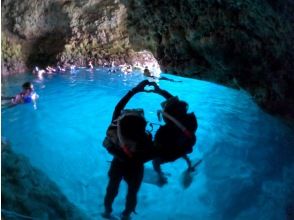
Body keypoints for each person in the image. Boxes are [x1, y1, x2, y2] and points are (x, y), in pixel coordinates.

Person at [102, 80, 155, 220]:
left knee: (112, 189)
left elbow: (118, 108)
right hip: (135, 169)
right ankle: (126, 216)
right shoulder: (144, 140)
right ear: (142, 127)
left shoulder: (117, 133)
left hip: (118, 164)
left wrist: (134, 90)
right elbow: (152, 153)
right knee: (132, 193)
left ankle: (107, 212)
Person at [150, 83, 197, 183]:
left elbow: (156, 146)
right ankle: (189, 163)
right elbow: (175, 104)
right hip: (185, 147)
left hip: (171, 152)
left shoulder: (164, 131)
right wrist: (161, 91)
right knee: (181, 149)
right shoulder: (189, 120)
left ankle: (160, 176)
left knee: (155, 161)